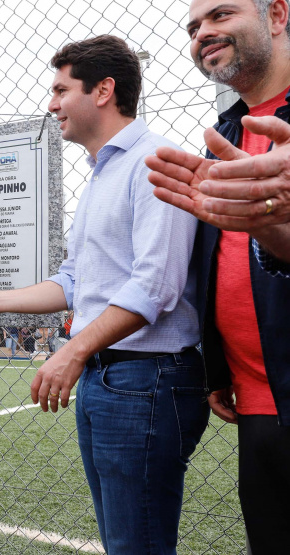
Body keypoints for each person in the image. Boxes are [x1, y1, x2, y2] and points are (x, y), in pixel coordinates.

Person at [0, 36, 209, 555]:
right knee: (123, 543)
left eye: (61, 90)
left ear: (103, 91)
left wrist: (73, 350)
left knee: (137, 545)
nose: (52, 104)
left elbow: (155, 286)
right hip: (110, 379)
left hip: (146, 379)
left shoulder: (156, 161)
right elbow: (74, 280)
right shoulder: (101, 175)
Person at [145, 0, 290, 550]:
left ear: (276, 15)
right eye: (193, 26)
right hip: (256, 401)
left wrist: (273, 228)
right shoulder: (222, 132)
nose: (203, 32)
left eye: (221, 14)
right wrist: (219, 368)